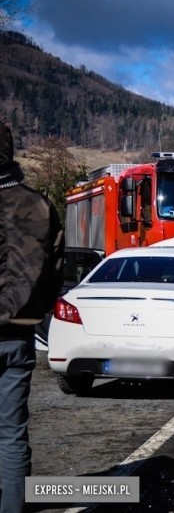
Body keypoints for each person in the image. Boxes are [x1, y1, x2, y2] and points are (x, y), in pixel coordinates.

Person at [0, 122, 64, 513]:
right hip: (18, 336)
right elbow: (55, 270)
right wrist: (35, 312)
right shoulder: (39, 205)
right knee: (12, 433)